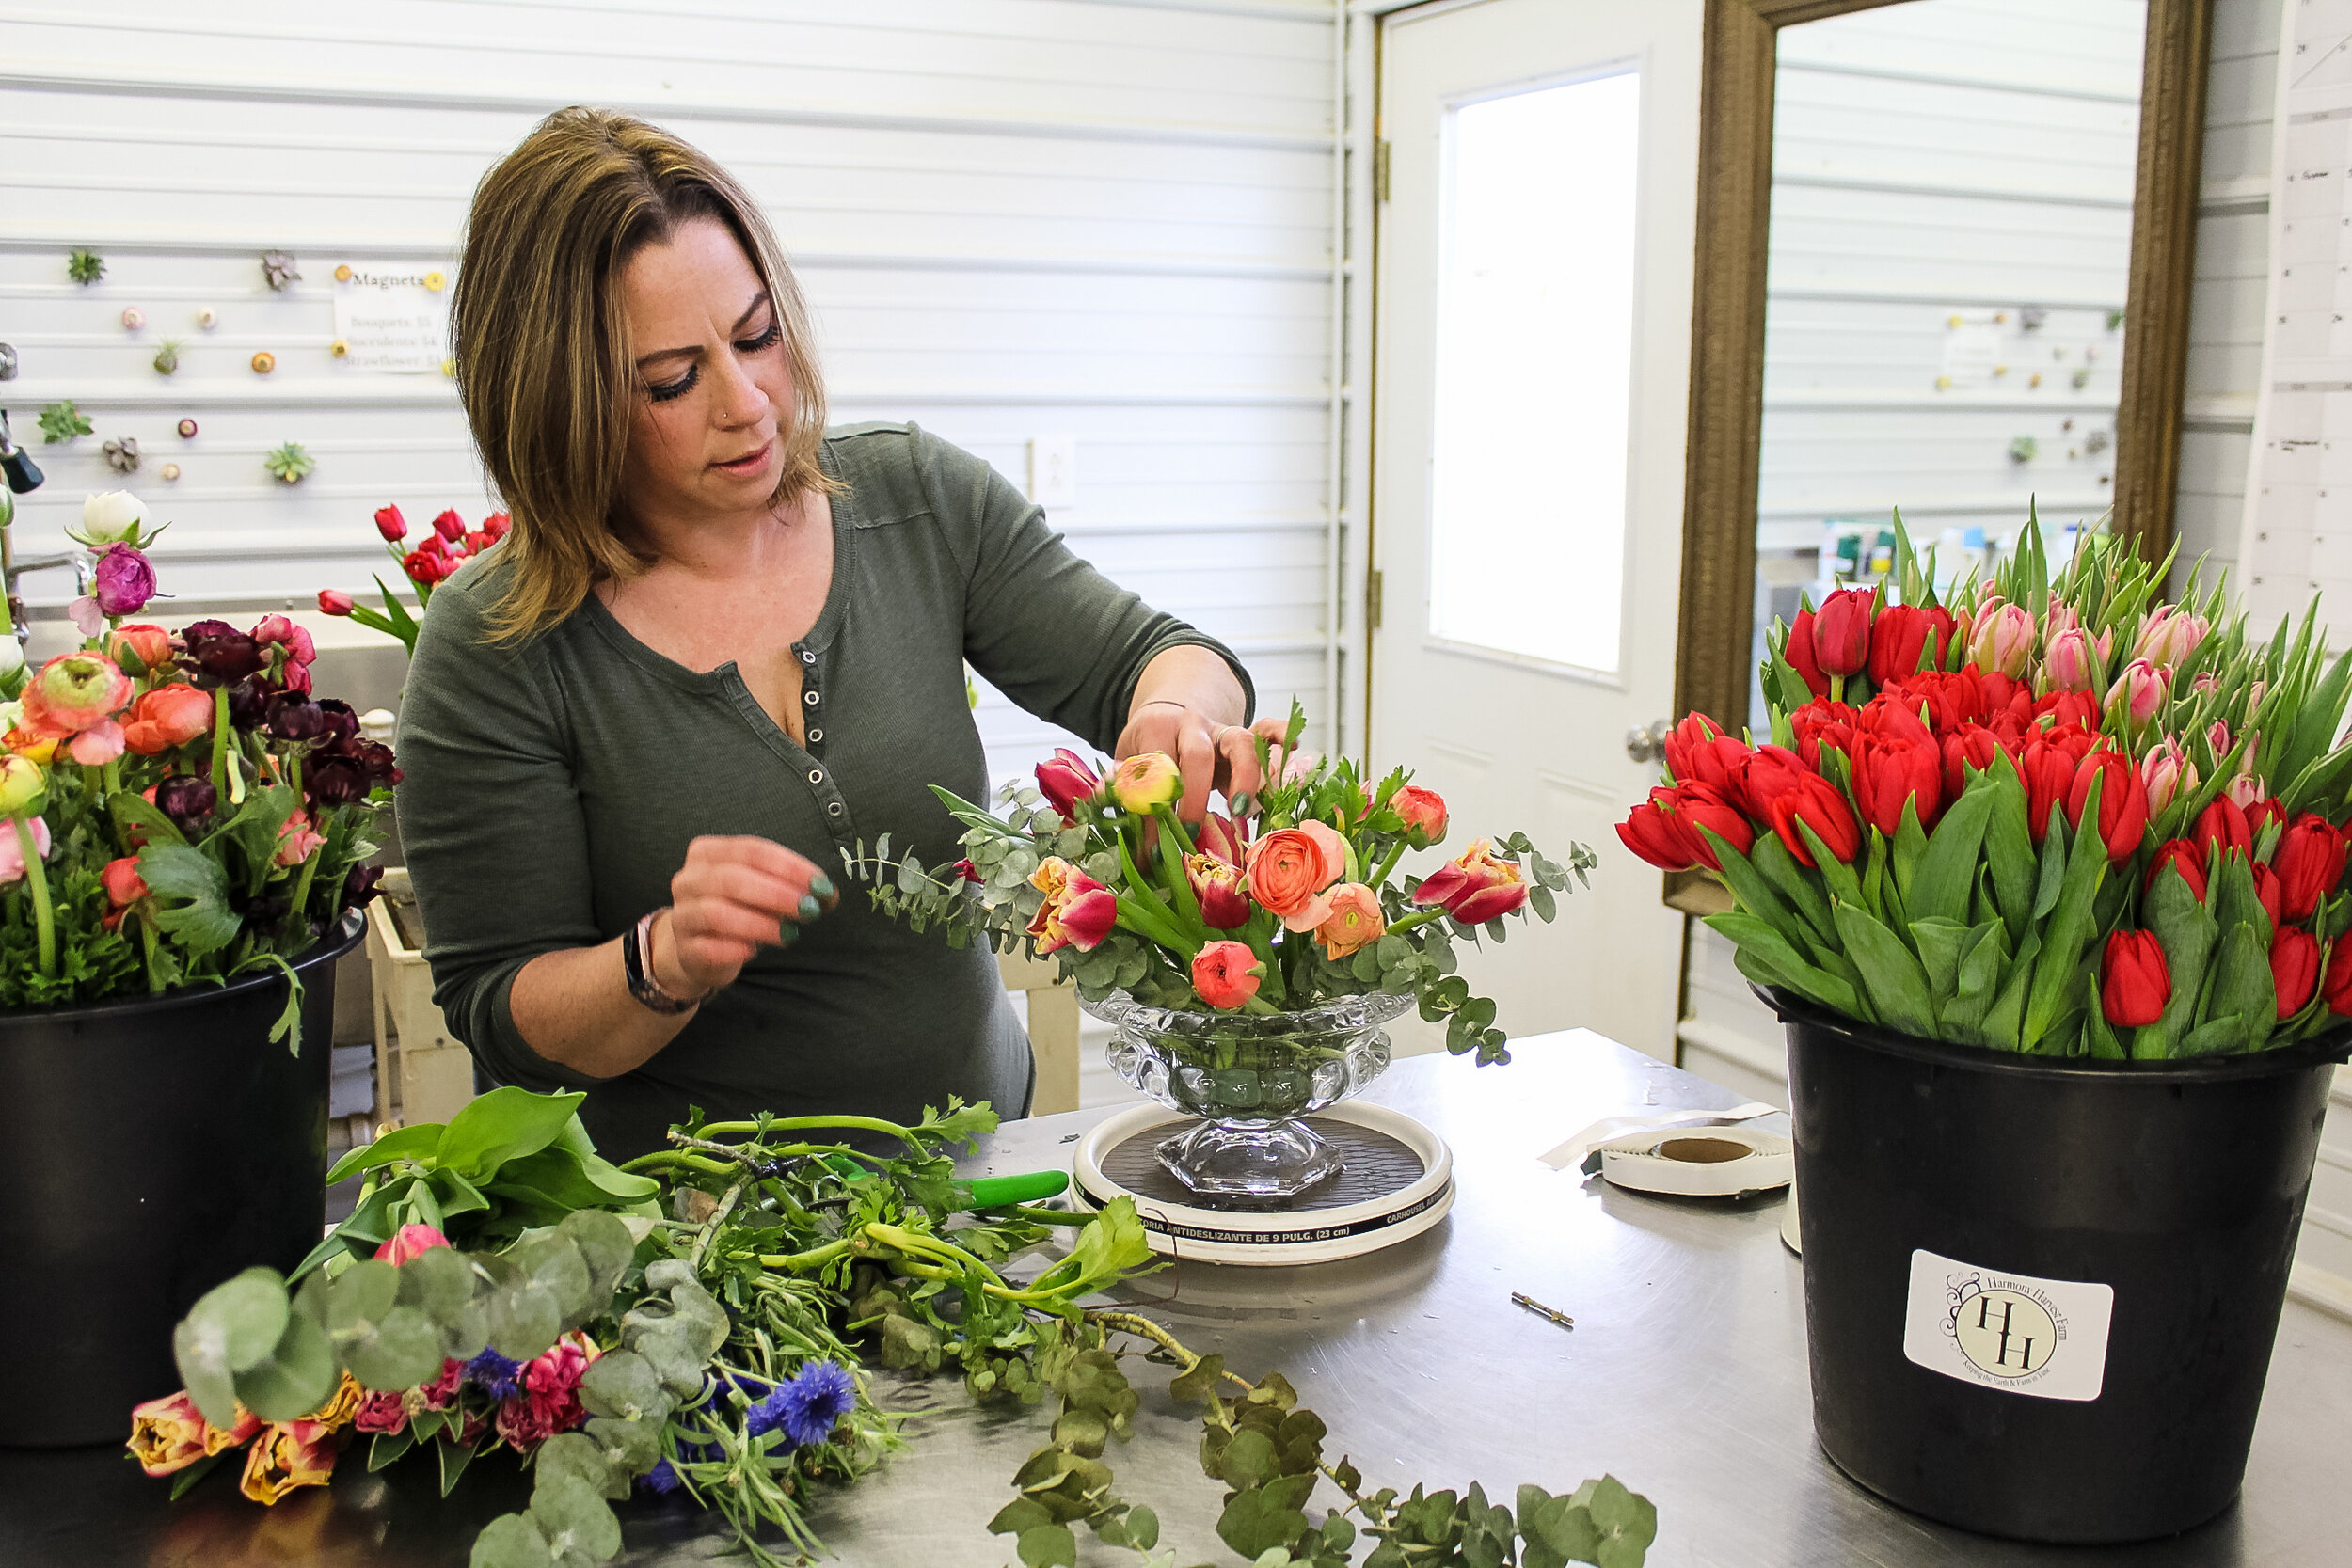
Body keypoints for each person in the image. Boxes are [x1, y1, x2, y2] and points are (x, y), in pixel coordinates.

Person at [397, 107, 1262, 1158]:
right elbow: (504, 1008)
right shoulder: (498, 641)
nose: (749, 401)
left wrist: (1176, 708)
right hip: (704, 1257)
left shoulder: (915, 500)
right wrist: (658, 960)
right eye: (672, 380)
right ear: (561, 403)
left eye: (756, 334)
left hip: (976, 1186)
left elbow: (1159, 655)